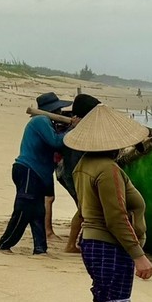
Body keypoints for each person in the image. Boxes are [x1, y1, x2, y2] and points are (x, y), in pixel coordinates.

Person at [68, 105, 152, 302]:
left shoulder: (83, 165)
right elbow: (116, 216)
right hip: (109, 245)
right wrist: (138, 254)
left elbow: (85, 210)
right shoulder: (108, 170)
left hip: (96, 243)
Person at [0, 91, 70, 255]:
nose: (60, 113)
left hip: (38, 174)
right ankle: (3, 245)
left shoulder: (47, 123)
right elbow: (56, 142)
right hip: (29, 170)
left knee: (38, 212)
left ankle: (40, 249)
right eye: (58, 111)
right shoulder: (40, 120)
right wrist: (73, 129)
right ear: (53, 110)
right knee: (24, 209)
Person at [58, 91, 101, 255]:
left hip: (72, 172)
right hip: (73, 173)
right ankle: (71, 245)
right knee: (84, 209)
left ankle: (83, 240)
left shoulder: (78, 127)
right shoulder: (77, 130)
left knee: (84, 209)